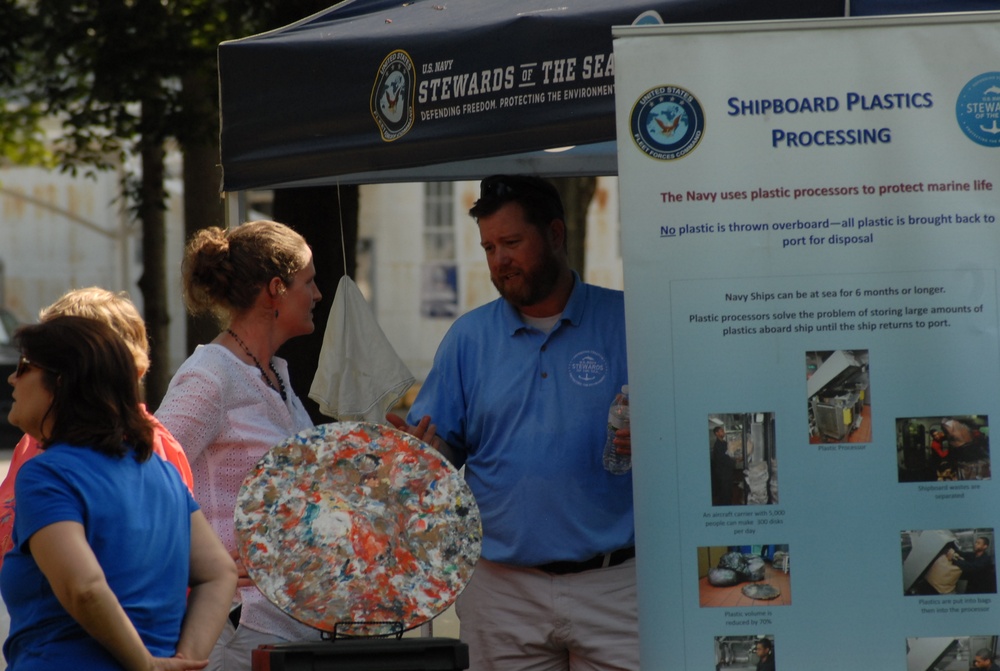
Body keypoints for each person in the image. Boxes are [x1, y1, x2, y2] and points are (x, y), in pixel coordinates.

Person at [388, 175, 636, 670]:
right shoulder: (469, 338)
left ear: (556, 234)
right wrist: (419, 451)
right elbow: (437, 455)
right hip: (503, 591)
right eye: (489, 247)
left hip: (618, 584)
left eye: (512, 243)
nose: (499, 259)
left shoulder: (628, 322)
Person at [2, 316, 236, 670]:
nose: (12, 379)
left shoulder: (47, 474)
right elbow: (220, 573)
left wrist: (144, 665)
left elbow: (84, 587)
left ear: (61, 383)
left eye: (24, 366)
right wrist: (183, 660)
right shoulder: (163, 473)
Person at [156, 221, 323, 669]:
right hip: (236, 627)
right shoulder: (210, 375)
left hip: (284, 623)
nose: (318, 295)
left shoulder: (274, 375)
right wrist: (205, 561)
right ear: (276, 289)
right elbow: (145, 478)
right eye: (308, 282)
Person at [0, 287, 195, 569]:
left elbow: (102, 584)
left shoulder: (149, 447)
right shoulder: (35, 440)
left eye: (31, 364)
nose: (14, 377)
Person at [711, 425, 736, 506]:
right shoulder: (717, 445)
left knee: (729, 489)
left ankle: (729, 502)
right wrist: (734, 461)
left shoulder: (725, 443)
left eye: (723, 431)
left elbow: (730, 453)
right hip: (723, 473)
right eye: (721, 431)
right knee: (725, 491)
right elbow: (722, 459)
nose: (723, 432)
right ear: (717, 433)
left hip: (728, 471)